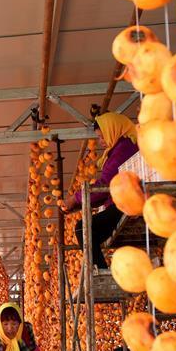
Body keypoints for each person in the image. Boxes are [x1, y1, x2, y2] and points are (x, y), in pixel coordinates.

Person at [60, 112, 139, 269]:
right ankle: (99, 271)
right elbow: (107, 189)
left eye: (102, 136)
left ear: (113, 130)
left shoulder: (123, 149)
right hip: (124, 201)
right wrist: (80, 204)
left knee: (84, 228)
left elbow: (105, 185)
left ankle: (100, 274)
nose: (101, 142)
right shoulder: (118, 149)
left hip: (127, 203)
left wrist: (75, 199)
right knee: (88, 230)